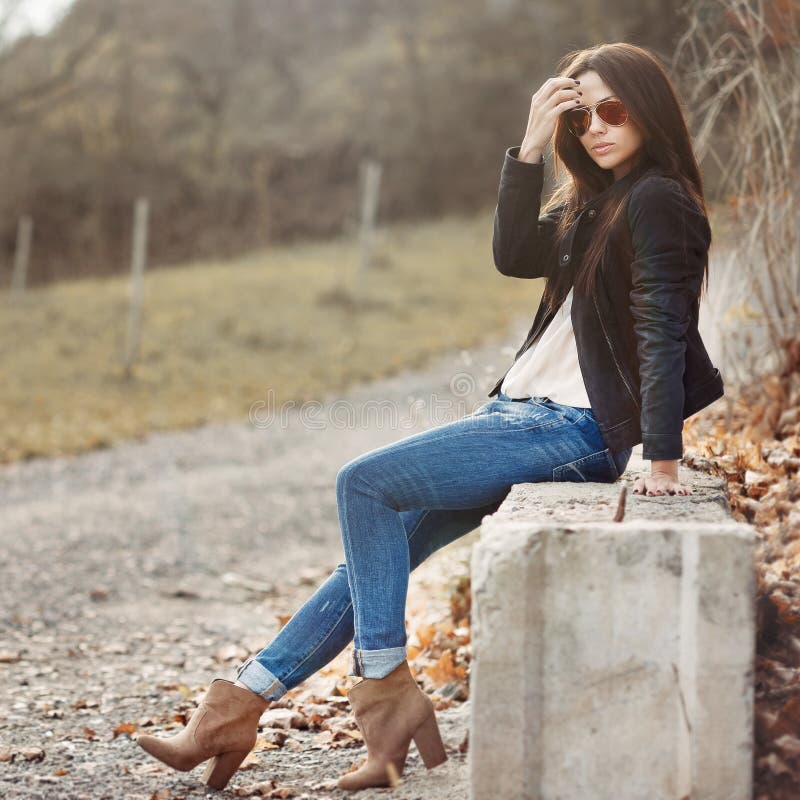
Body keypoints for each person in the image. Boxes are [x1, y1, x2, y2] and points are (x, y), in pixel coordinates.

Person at [136, 41, 724, 792]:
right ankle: (236, 708)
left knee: (364, 484)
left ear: (650, 110)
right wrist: (534, 146)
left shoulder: (659, 199)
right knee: (375, 555)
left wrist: (662, 455)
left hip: (570, 430)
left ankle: (383, 696)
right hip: (522, 415)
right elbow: (515, 254)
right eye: (585, 117)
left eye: (614, 111)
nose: (599, 127)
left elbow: (661, 327)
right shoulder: (598, 199)